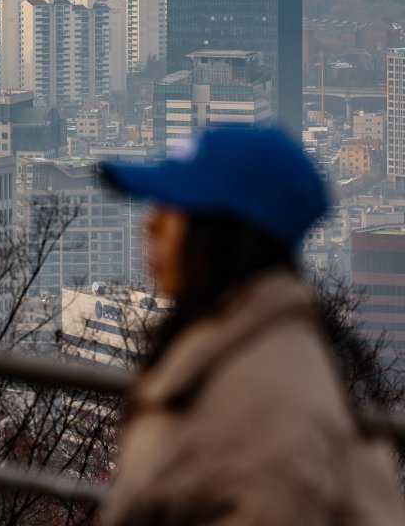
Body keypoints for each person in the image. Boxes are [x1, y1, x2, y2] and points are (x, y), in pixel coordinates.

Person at [98, 127, 405, 526]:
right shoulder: (241, 347)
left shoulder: (265, 399)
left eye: (173, 210)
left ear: (224, 237)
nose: (149, 225)